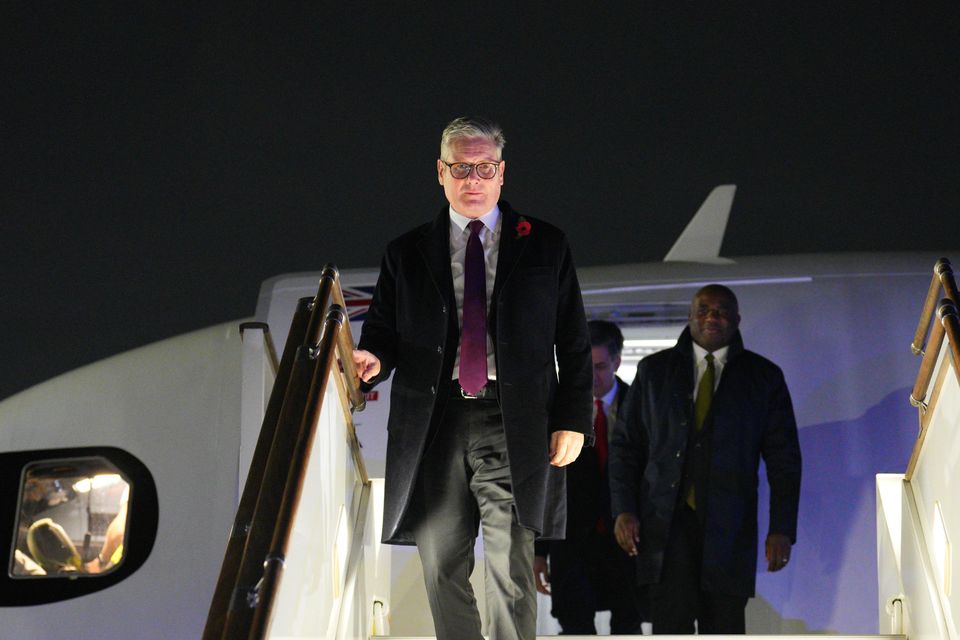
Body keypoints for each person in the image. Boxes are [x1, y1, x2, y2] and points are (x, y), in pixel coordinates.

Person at [352, 116, 593, 640]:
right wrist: (373, 359)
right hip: (434, 426)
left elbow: (572, 339)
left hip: (514, 423)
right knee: (440, 565)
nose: (473, 179)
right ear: (442, 172)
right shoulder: (406, 252)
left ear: (501, 173)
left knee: (509, 566)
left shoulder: (546, 244)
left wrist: (573, 418)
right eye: (462, 168)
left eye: (485, 167)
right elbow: (383, 332)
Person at [609, 284, 801, 634]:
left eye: (722, 309)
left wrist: (782, 528)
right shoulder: (654, 372)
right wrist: (624, 509)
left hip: (730, 525)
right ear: (690, 316)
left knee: (724, 626)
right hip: (665, 523)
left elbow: (784, 459)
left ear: (737, 319)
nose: (712, 316)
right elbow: (625, 448)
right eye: (704, 309)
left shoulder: (763, 377)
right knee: (670, 624)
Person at [533, 320, 643, 634]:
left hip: (627, 539)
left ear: (617, 363)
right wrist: (539, 551)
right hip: (572, 540)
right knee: (575, 627)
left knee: (629, 625)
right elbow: (544, 482)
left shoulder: (641, 405)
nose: (592, 377)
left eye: (600, 366)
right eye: (585, 367)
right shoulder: (556, 411)